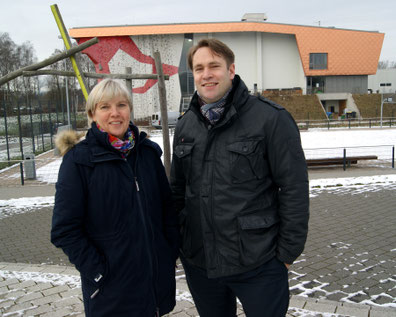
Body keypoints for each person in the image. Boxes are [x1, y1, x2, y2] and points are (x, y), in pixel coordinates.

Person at [170, 38, 309, 317]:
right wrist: (179, 244)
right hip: (202, 263)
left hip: (258, 262)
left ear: (231, 70)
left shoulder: (270, 119)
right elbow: (177, 191)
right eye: (199, 68)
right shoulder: (186, 125)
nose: (206, 74)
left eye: (214, 66)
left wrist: (285, 255)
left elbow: (294, 188)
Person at [51, 78, 179, 317]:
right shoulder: (79, 161)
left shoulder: (147, 155)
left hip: (153, 287)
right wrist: (99, 271)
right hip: (111, 292)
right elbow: (64, 230)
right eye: (105, 107)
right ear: (92, 113)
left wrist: (168, 252)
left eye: (121, 105)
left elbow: (167, 211)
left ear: (129, 109)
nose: (115, 113)